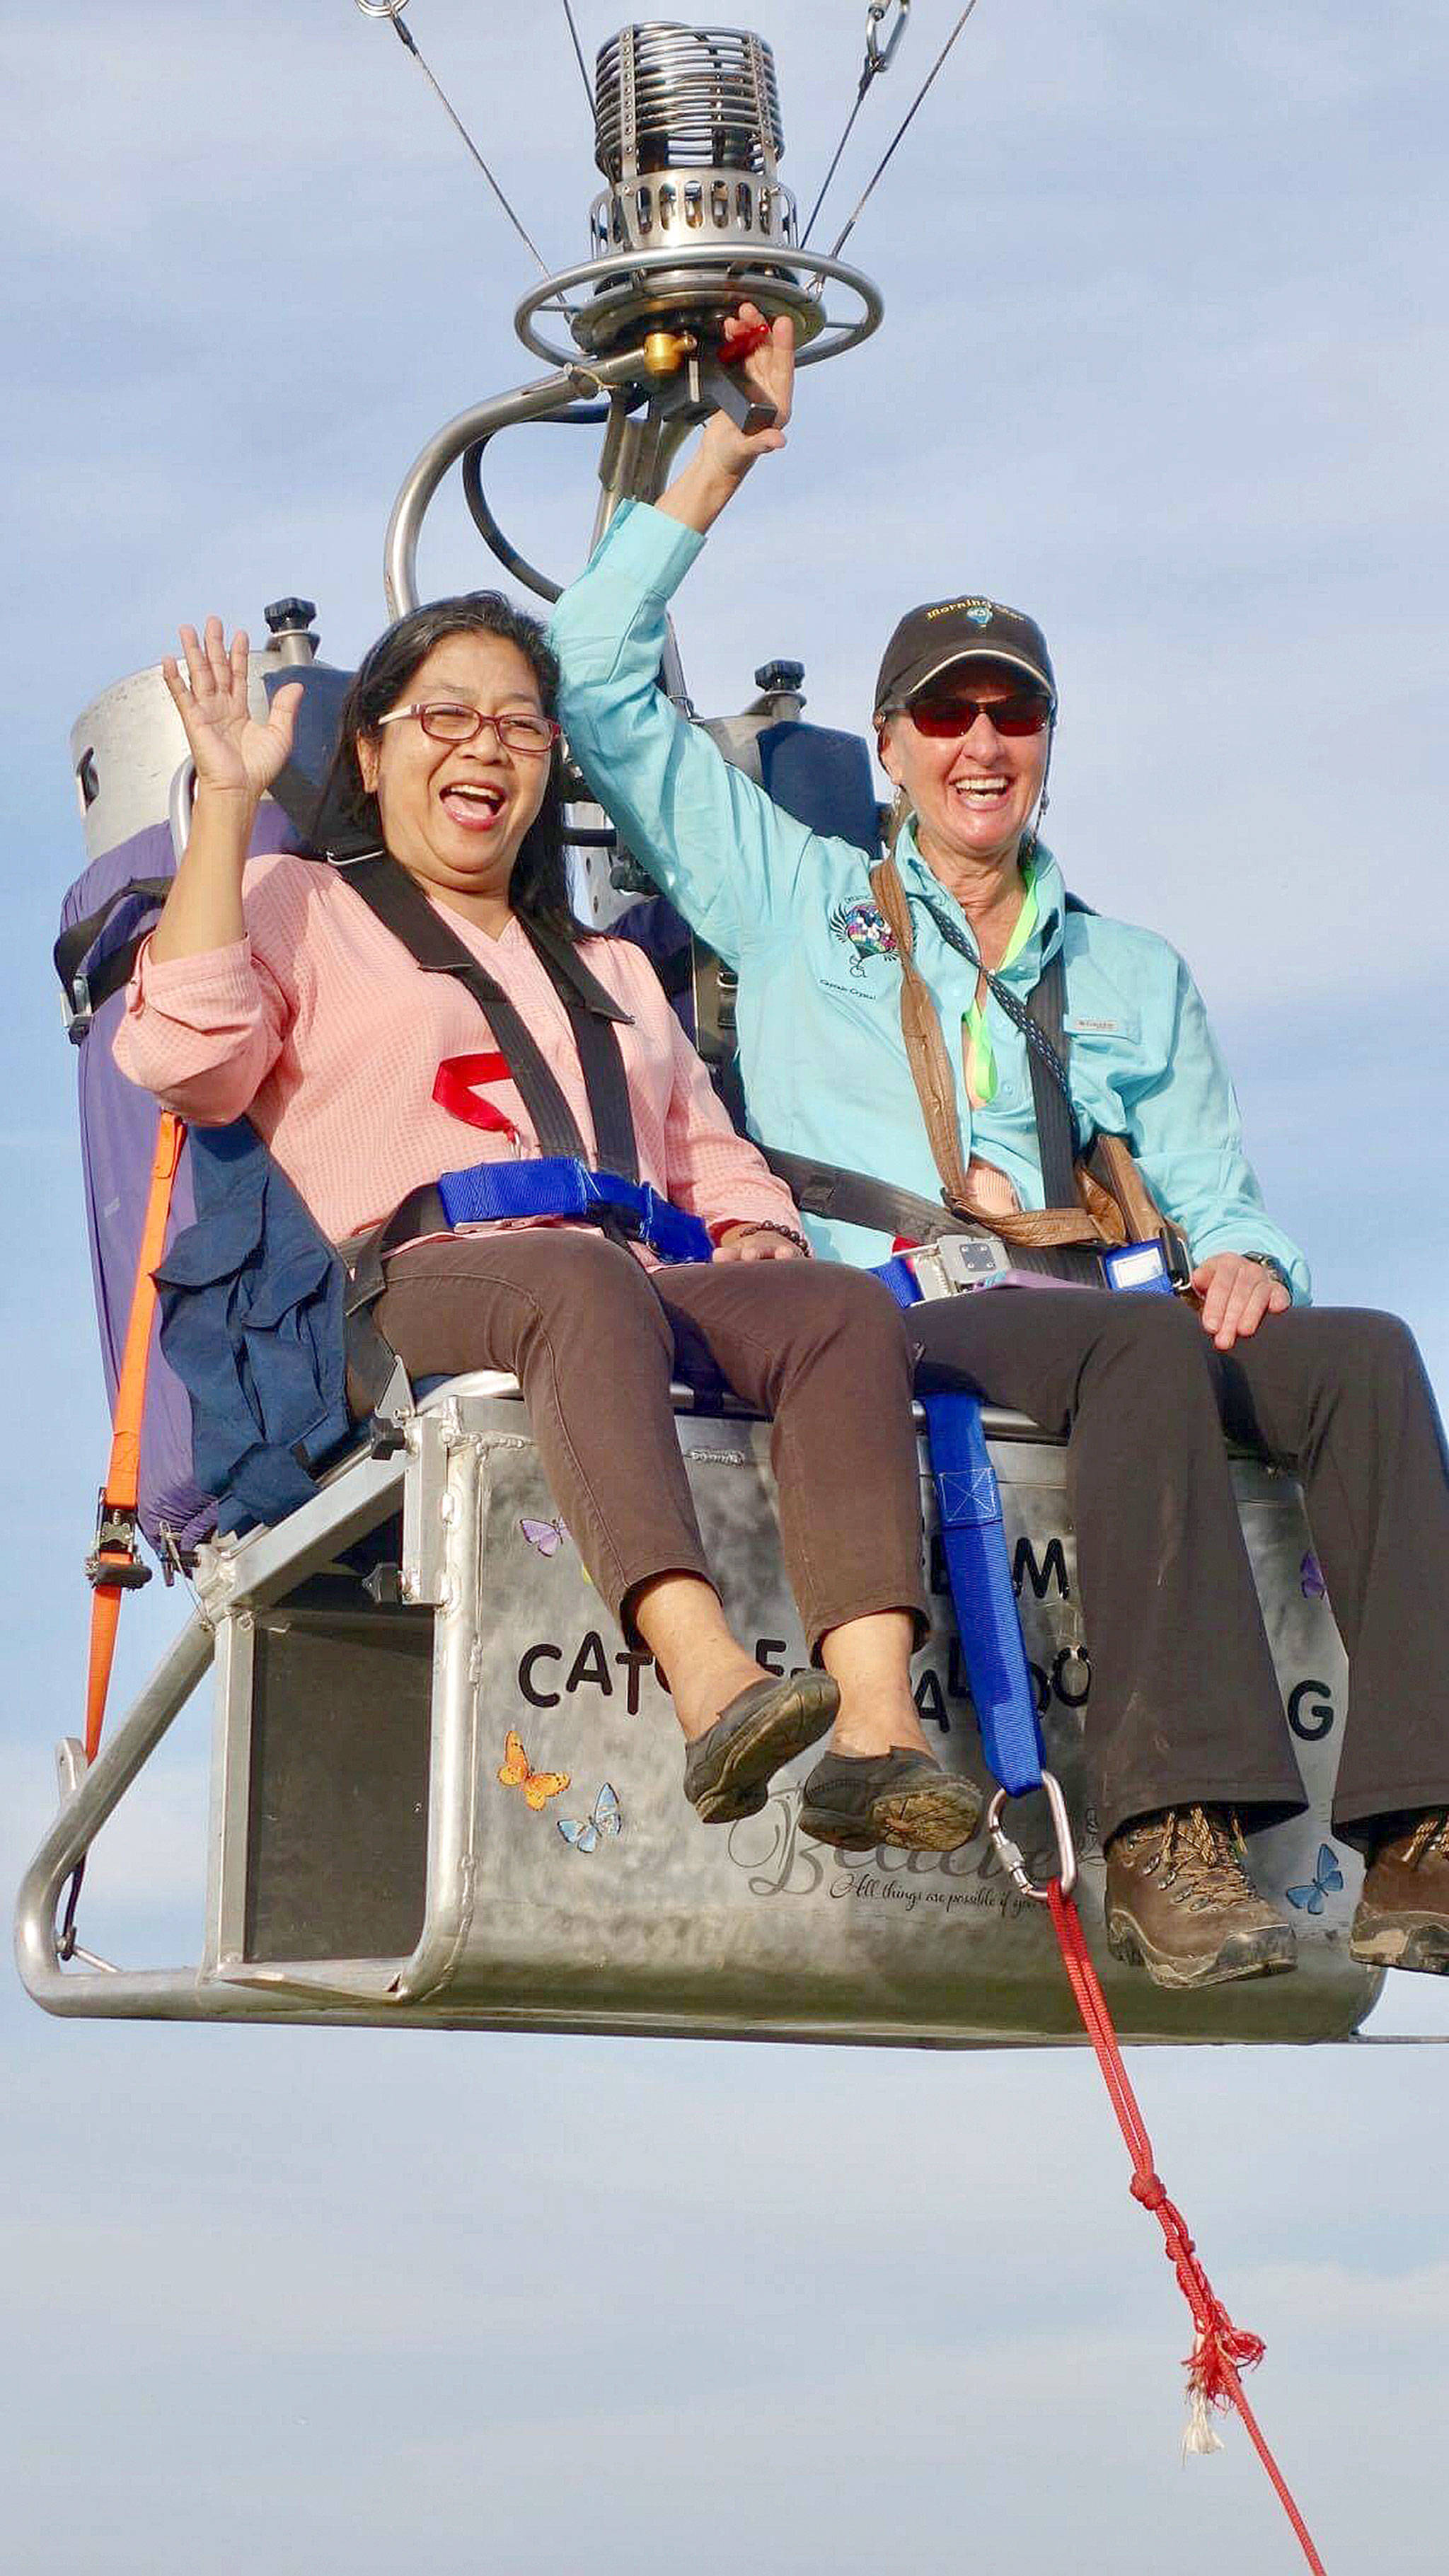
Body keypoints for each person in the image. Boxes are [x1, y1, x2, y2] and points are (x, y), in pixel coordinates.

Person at [548, 306, 1449, 1989]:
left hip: (1102, 1325)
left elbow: (1218, 1193)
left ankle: (1417, 1833)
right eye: (945, 713)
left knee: (1363, 1354)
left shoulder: (1128, 971)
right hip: (898, 1319)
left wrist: (1247, 1261)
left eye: (1011, 714)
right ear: (889, 749)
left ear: (1045, 744)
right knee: (1132, 1347)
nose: (981, 743)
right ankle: (1170, 1842)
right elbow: (594, 672)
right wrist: (721, 458)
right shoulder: (794, 895)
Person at [113, 601, 986, 1858]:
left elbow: (711, 1153)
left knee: (837, 1310)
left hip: (622, 1281)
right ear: (371, 750)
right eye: (447, 716)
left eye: (519, 726)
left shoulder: (610, 972)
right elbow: (186, 1057)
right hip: (408, 1289)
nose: (486, 745)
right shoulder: (297, 903)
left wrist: (756, 1231)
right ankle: (710, 1681)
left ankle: (875, 1733)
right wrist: (230, 804)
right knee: (575, 1276)